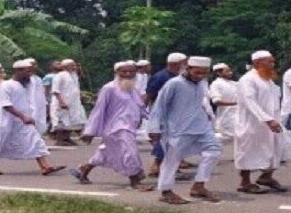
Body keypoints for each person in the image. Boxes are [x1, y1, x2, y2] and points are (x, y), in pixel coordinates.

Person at [148, 56, 224, 205]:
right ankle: (166, 191)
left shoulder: (202, 83)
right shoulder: (174, 84)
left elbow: (202, 103)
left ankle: (199, 185)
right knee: (172, 160)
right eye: (197, 72)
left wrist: (209, 117)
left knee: (214, 150)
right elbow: (160, 105)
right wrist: (154, 127)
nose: (200, 76)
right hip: (177, 129)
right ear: (188, 69)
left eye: (204, 73)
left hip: (201, 127)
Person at [0, 61, 65, 176]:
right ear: (18, 71)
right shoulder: (6, 85)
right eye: (27, 71)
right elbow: (6, 105)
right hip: (8, 121)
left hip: (24, 121)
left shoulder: (27, 85)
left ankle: (45, 166)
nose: (30, 74)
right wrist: (22, 116)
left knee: (34, 140)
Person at [72, 61, 147, 189]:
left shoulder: (132, 88)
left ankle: (84, 169)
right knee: (130, 152)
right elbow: (99, 110)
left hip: (129, 127)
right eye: (124, 71)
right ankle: (135, 181)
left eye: (131, 71)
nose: (128, 74)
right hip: (116, 128)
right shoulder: (109, 88)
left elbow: (138, 106)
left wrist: (142, 118)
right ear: (117, 72)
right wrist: (90, 131)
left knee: (105, 153)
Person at [234, 51, 291, 194]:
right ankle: (245, 182)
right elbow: (250, 102)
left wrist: (274, 119)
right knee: (248, 152)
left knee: (277, 149)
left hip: (272, 122)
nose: (272, 65)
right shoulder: (247, 80)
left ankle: (266, 177)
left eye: (273, 62)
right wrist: (267, 120)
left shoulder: (268, 79)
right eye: (269, 62)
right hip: (252, 124)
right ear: (257, 63)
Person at [145, 53, 188, 177]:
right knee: (165, 140)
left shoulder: (182, 77)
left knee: (174, 141)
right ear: (174, 64)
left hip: (178, 114)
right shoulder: (161, 77)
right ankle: (157, 166)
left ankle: (168, 166)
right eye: (184, 63)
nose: (186, 66)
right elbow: (149, 95)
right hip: (164, 114)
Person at [50, 59, 88, 146]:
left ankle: (67, 138)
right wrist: (61, 102)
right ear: (65, 66)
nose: (75, 67)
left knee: (71, 120)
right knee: (61, 120)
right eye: (72, 65)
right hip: (62, 101)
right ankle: (60, 140)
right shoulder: (60, 75)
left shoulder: (74, 75)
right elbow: (55, 90)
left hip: (73, 102)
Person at [208, 63, 239, 141]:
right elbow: (216, 101)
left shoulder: (234, 84)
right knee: (228, 138)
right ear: (219, 73)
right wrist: (234, 103)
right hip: (226, 116)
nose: (230, 73)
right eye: (227, 71)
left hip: (238, 115)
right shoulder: (216, 84)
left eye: (230, 70)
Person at [41, 59, 65, 134]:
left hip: (62, 99)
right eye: (57, 64)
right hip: (51, 99)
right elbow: (45, 89)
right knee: (51, 116)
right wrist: (45, 100)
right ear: (52, 67)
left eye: (60, 63)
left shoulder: (64, 75)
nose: (59, 65)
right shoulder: (49, 76)